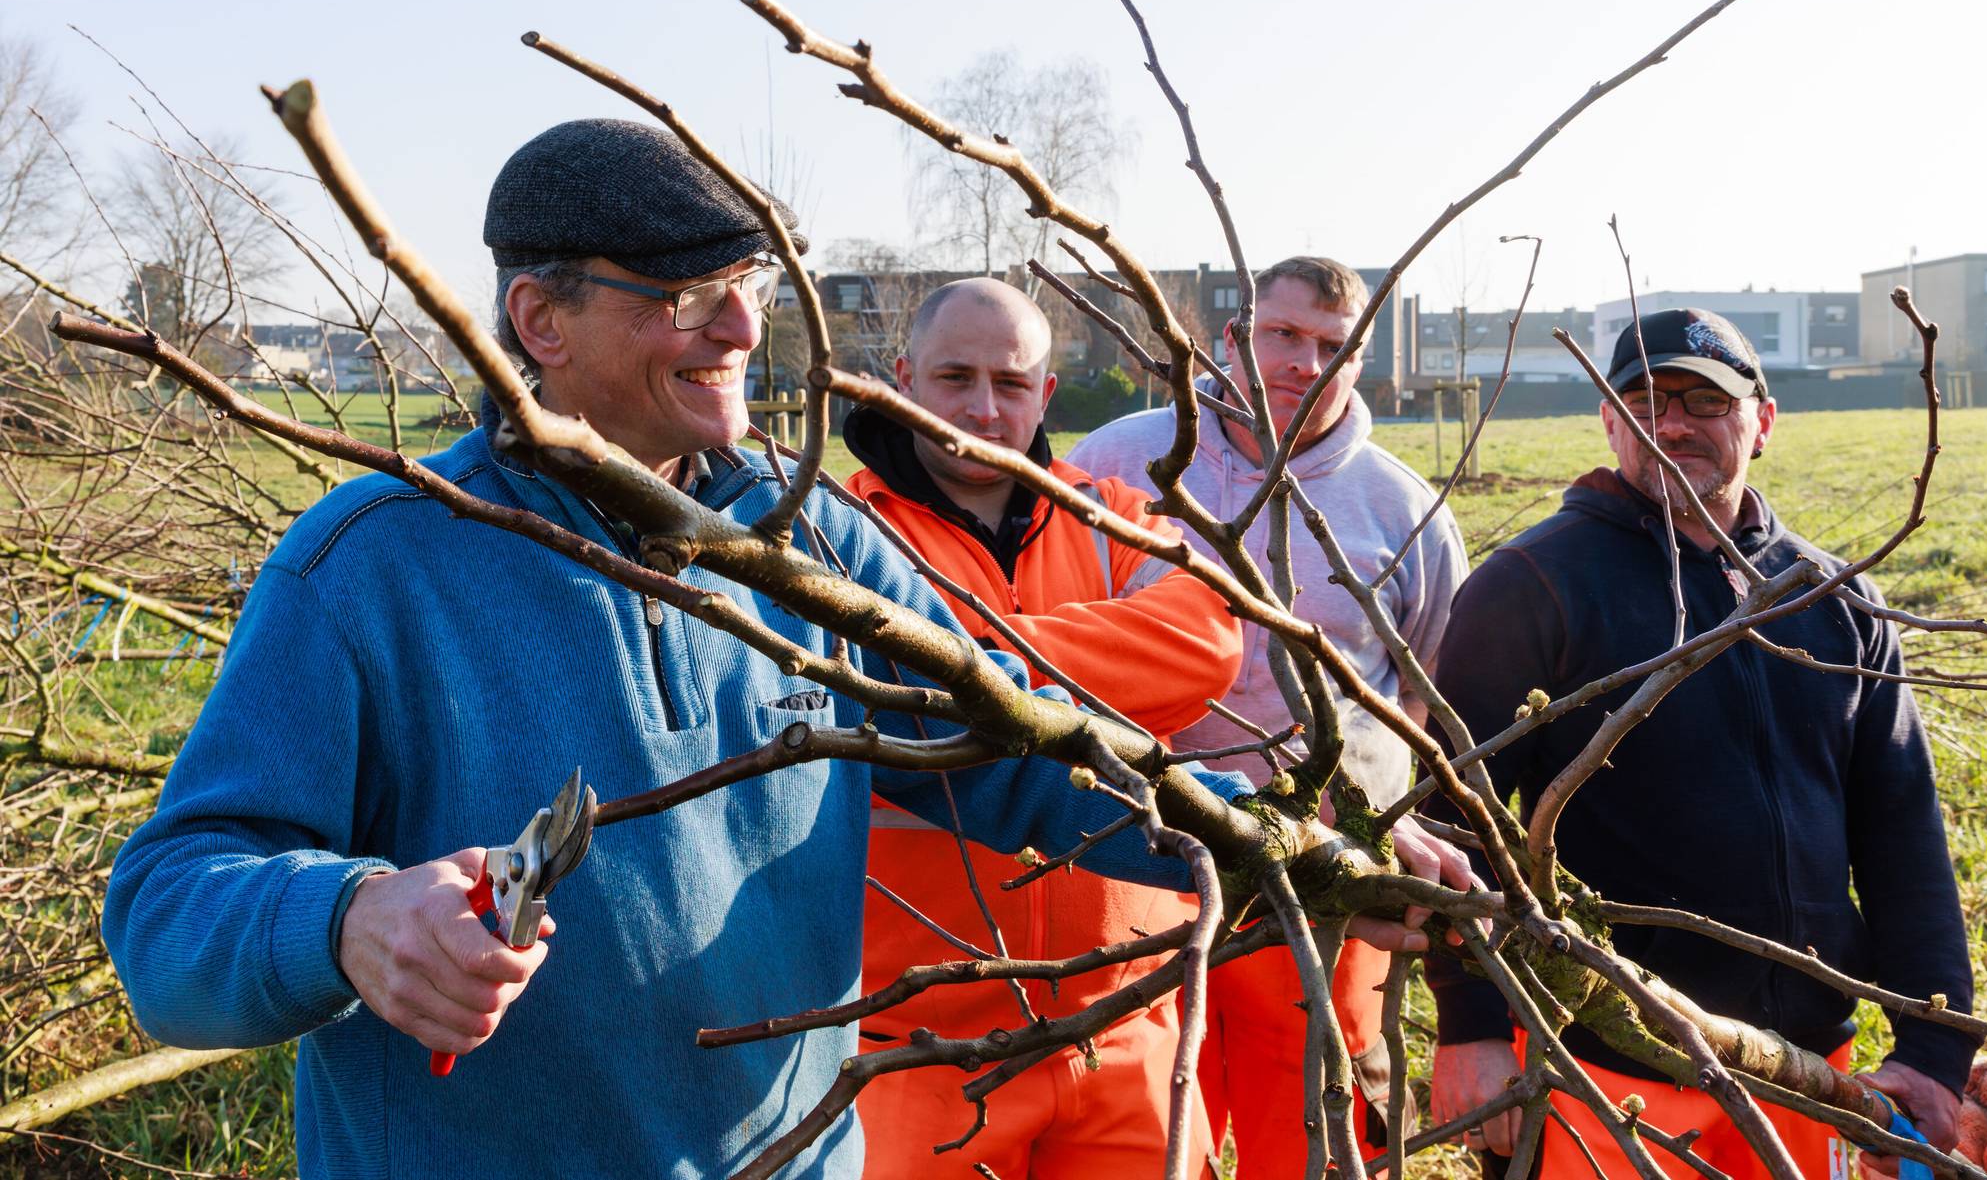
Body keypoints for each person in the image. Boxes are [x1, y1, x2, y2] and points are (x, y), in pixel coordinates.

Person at [99, 119, 1262, 1180]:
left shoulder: (815, 545)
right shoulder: (370, 568)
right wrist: (347, 921)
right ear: (540, 322)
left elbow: (1014, 751)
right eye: (685, 293)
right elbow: (163, 913)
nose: (746, 327)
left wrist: (1267, 847)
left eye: (746, 284)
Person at [1425, 308, 1974, 1178]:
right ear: (1608, 421)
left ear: (1762, 419)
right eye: (1640, 400)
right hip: (1602, 1068)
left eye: (1703, 400)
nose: (1670, 422)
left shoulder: (1834, 600)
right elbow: (1457, 824)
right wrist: (1471, 1025)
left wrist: (1936, 1052)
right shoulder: (1532, 585)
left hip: (1808, 1074)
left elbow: (1903, 832)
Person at [1070, 256, 1472, 1175]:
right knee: (1151, 1130)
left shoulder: (1402, 509)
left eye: (1334, 347)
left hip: (1327, 879)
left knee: (1324, 1132)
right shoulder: (1118, 462)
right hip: (1150, 864)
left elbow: (1425, 692)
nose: (1304, 363)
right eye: (1282, 336)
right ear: (1229, 343)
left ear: (1363, 362)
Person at [843, 277, 1242, 1177]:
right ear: (904, 378)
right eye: (955, 376)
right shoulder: (842, 539)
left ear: (1047, 394)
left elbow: (1207, 640)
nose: (984, 408)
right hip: (916, 1040)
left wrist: (965, 655)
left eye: (1012, 383)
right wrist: (1094, 673)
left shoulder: (1115, 518)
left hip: (1124, 1019)